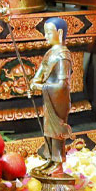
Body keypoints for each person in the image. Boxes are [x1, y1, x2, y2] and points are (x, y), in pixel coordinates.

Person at [29, 17, 73, 177]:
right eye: (45, 32)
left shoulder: (63, 56)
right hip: (49, 98)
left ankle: (58, 163)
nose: (45, 36)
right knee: (48, 129)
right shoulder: (50, 53)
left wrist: (41, 87)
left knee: (57, 131)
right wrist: (34, 82)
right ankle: (50, 160)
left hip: (58, 99)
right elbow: (40, 73)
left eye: (49, 32)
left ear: (59, 33)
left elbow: (62, 85)